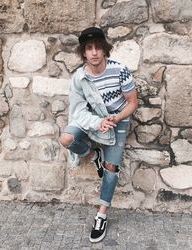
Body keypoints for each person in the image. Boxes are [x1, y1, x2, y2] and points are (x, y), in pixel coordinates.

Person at [60, 26, 138, 243]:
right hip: (93, 119)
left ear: (105, 50)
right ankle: (93, 155)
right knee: (67, 138)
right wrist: (98, 122)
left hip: (118, 119)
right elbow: (77, 112)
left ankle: (101, 214)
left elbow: (133, 103)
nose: (94, 52)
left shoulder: (120, 70)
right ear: (83, 52)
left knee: (111, 168)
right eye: (89, 48)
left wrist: (117, 118)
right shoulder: (80, 77)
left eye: (98, 48)